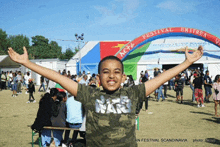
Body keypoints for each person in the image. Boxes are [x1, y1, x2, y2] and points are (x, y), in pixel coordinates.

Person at [8, 46, 203, 147]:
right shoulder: (88, 94)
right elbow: (57, 76)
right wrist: (27, 63)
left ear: (123, 76)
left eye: (117, 71)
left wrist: (186, 63)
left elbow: (162, 77)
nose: (112, 76)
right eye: (106, 72)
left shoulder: (133, 93)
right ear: (98, 77)